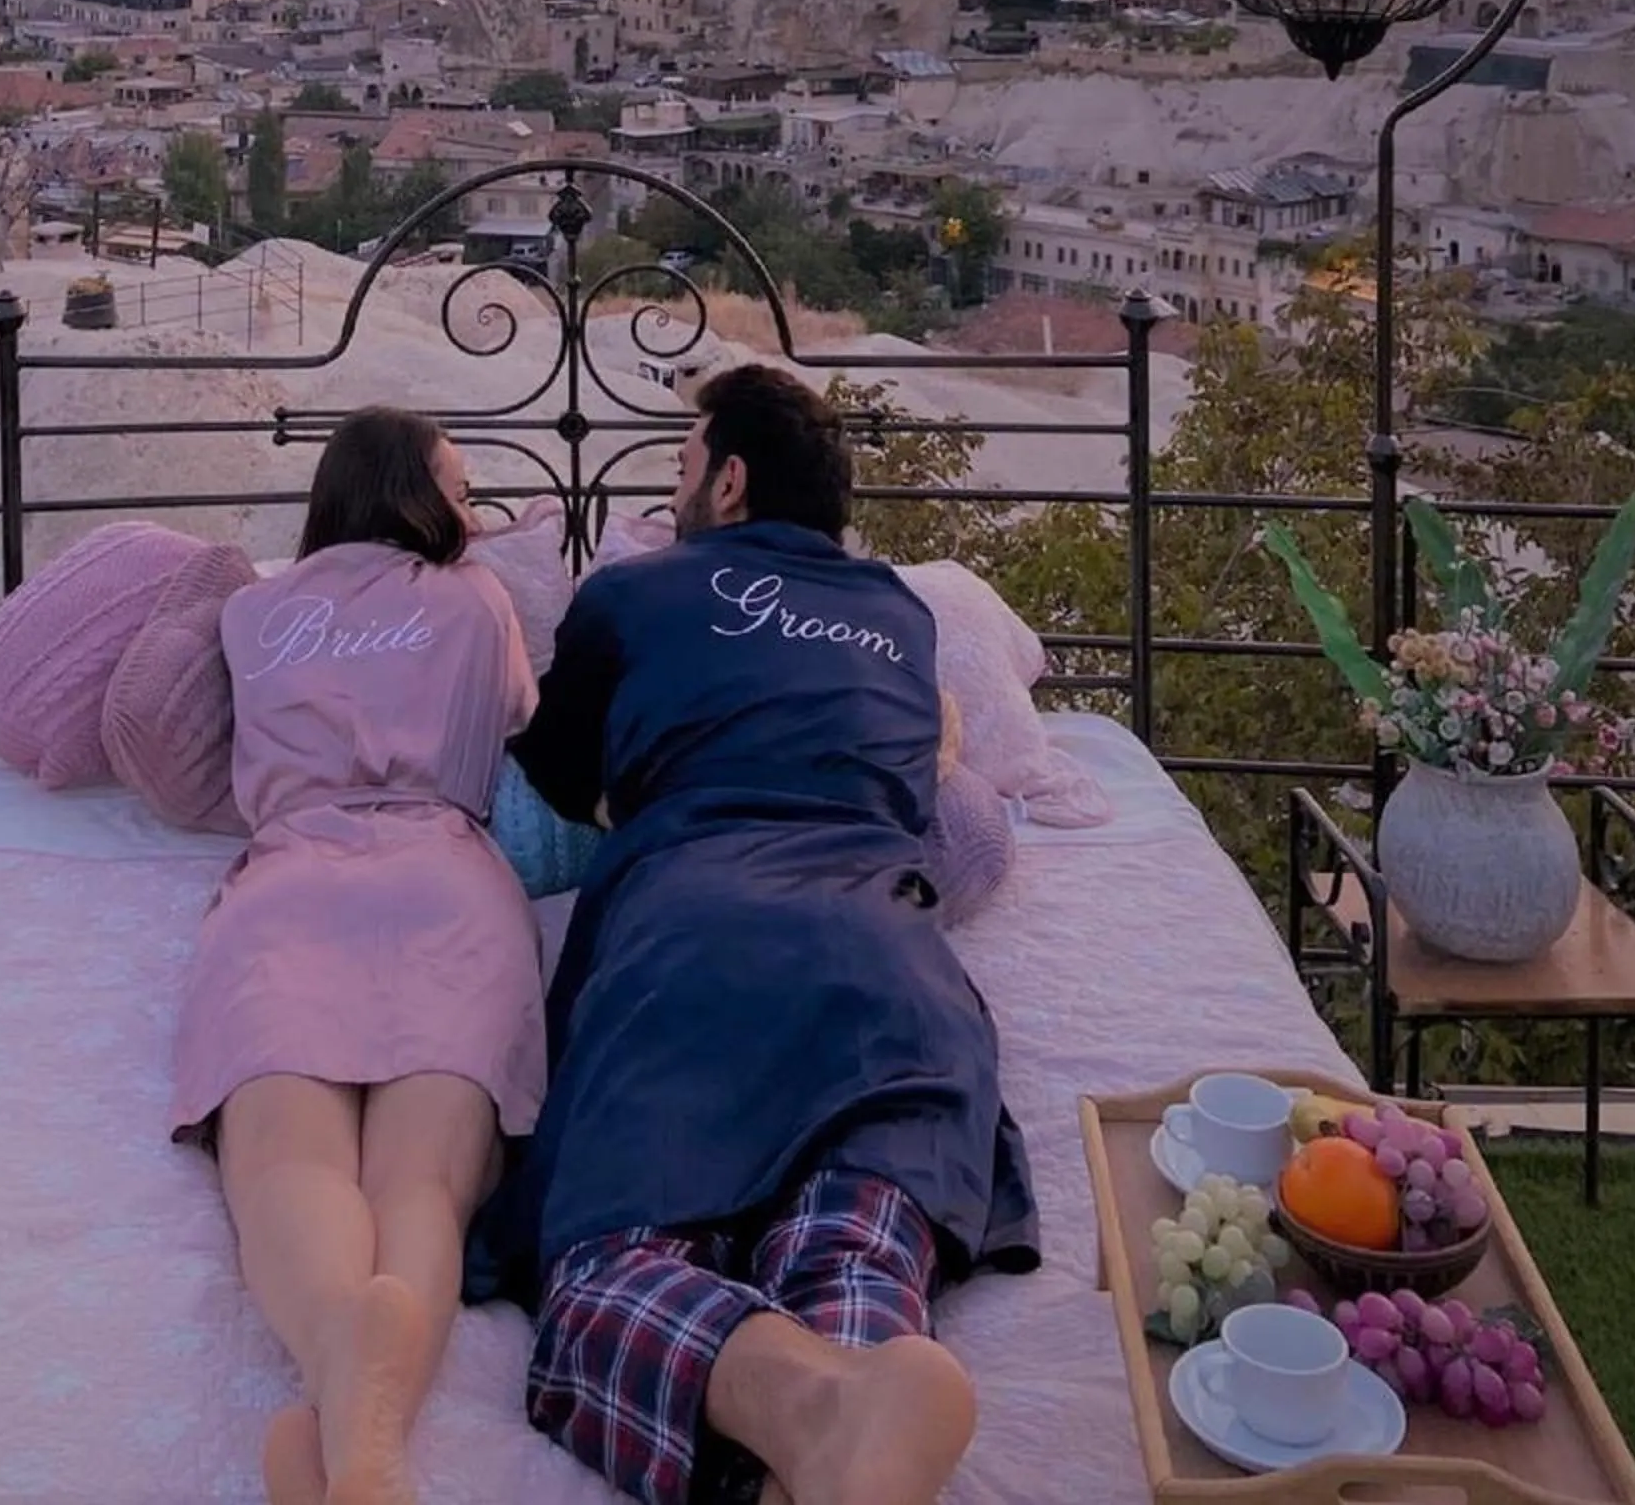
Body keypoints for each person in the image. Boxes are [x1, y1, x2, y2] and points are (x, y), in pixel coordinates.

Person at [469, 363, 1039, 1505]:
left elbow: (555, 770)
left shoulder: (632, 595)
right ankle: (852, 1405)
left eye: (680, 465)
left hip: (692, 939)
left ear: (727, 482)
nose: (674, 492)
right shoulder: (899, 614)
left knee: (605, 1274)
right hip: (888, 961)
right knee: (858, 1241)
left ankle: (807, 1407)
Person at [171, 406, 545, 1505]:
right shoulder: (480, 599)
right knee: (421, 1185)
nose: (469, 514)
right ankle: (365, 1430)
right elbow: (518, 713)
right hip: (444, 881)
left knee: (285, 1167)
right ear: (416, 496)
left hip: (290, 886)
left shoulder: (250, 613)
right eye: (461, 493)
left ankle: (340, 1366)